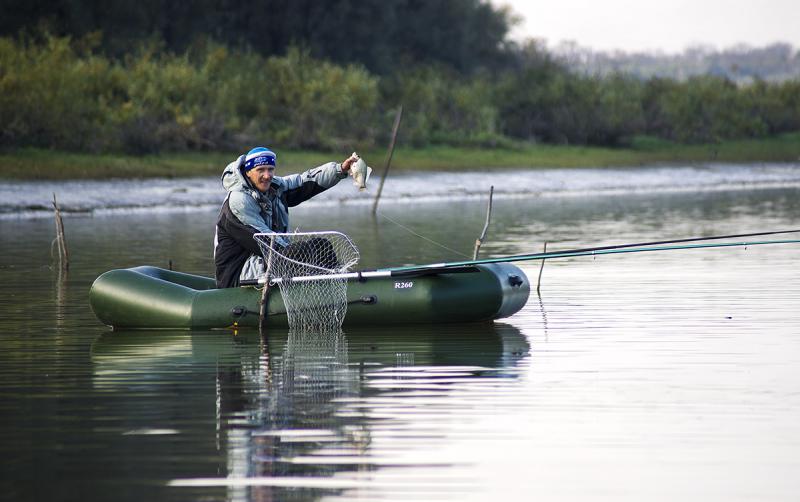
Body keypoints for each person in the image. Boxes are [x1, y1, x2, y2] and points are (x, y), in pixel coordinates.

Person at [214, 146, 358, 288]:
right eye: (261, 170)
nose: (267, 175)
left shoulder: (275, 187)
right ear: (248, 172)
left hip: (266, 261)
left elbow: (304, 181)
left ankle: (336, 286)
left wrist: (340, 169)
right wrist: (298, 254)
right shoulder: (239, 201)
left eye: (270, 169)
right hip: (237, 276)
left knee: (320, 246)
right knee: (309, 250)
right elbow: (267, 244)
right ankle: (329, 289)